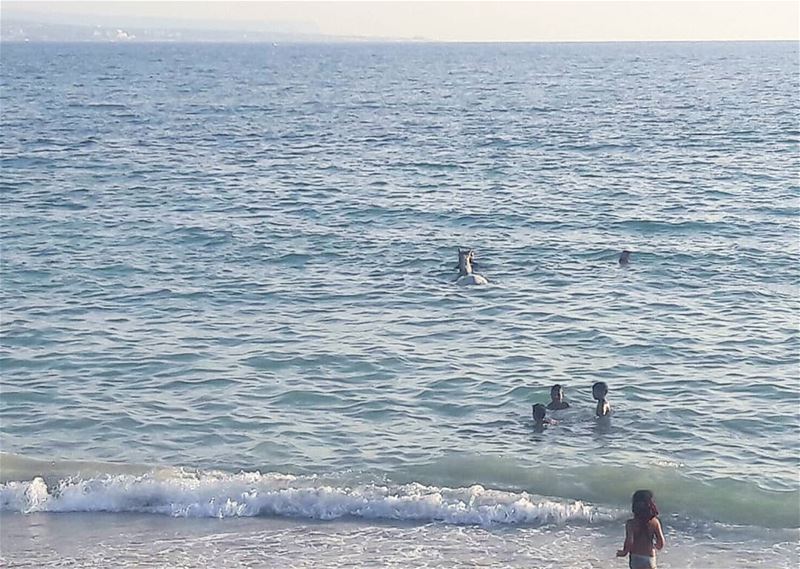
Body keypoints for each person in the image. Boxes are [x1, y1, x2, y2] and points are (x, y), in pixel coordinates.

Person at [616, 489, 666, 568]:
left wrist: (624, 552)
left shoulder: (631, 523)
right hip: (650, 558)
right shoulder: (655, 522)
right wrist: (657, 546)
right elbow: (661, 542)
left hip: (636, 558)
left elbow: (629, 541)